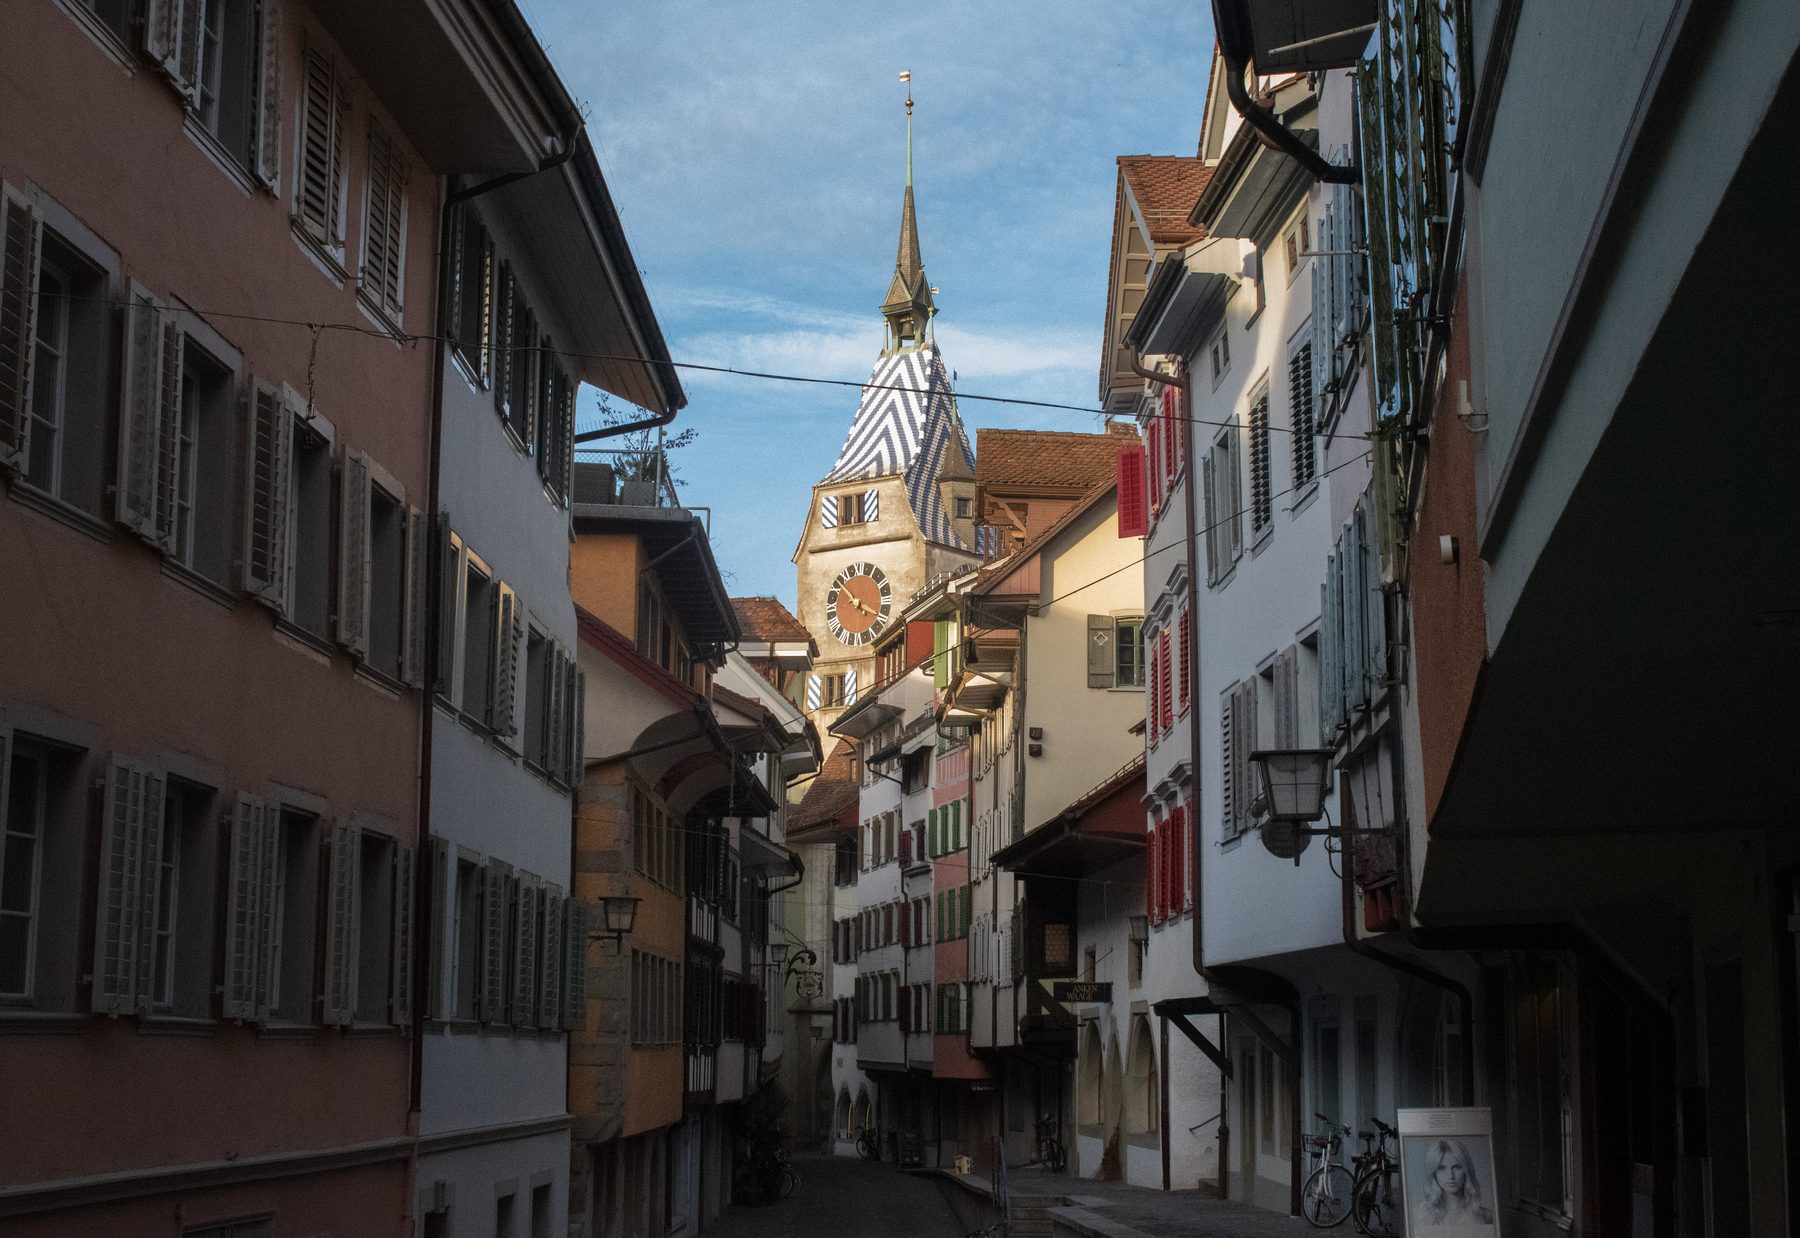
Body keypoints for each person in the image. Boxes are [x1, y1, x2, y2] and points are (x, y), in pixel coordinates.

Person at [1417, 1139, 1495, 1229]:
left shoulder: (1486, 1216)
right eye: (1442, 1168)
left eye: (1456, 1167)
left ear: (1466, 1170)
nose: (1450, 1176)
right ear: (1434, 1173)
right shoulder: (1422, 1217)